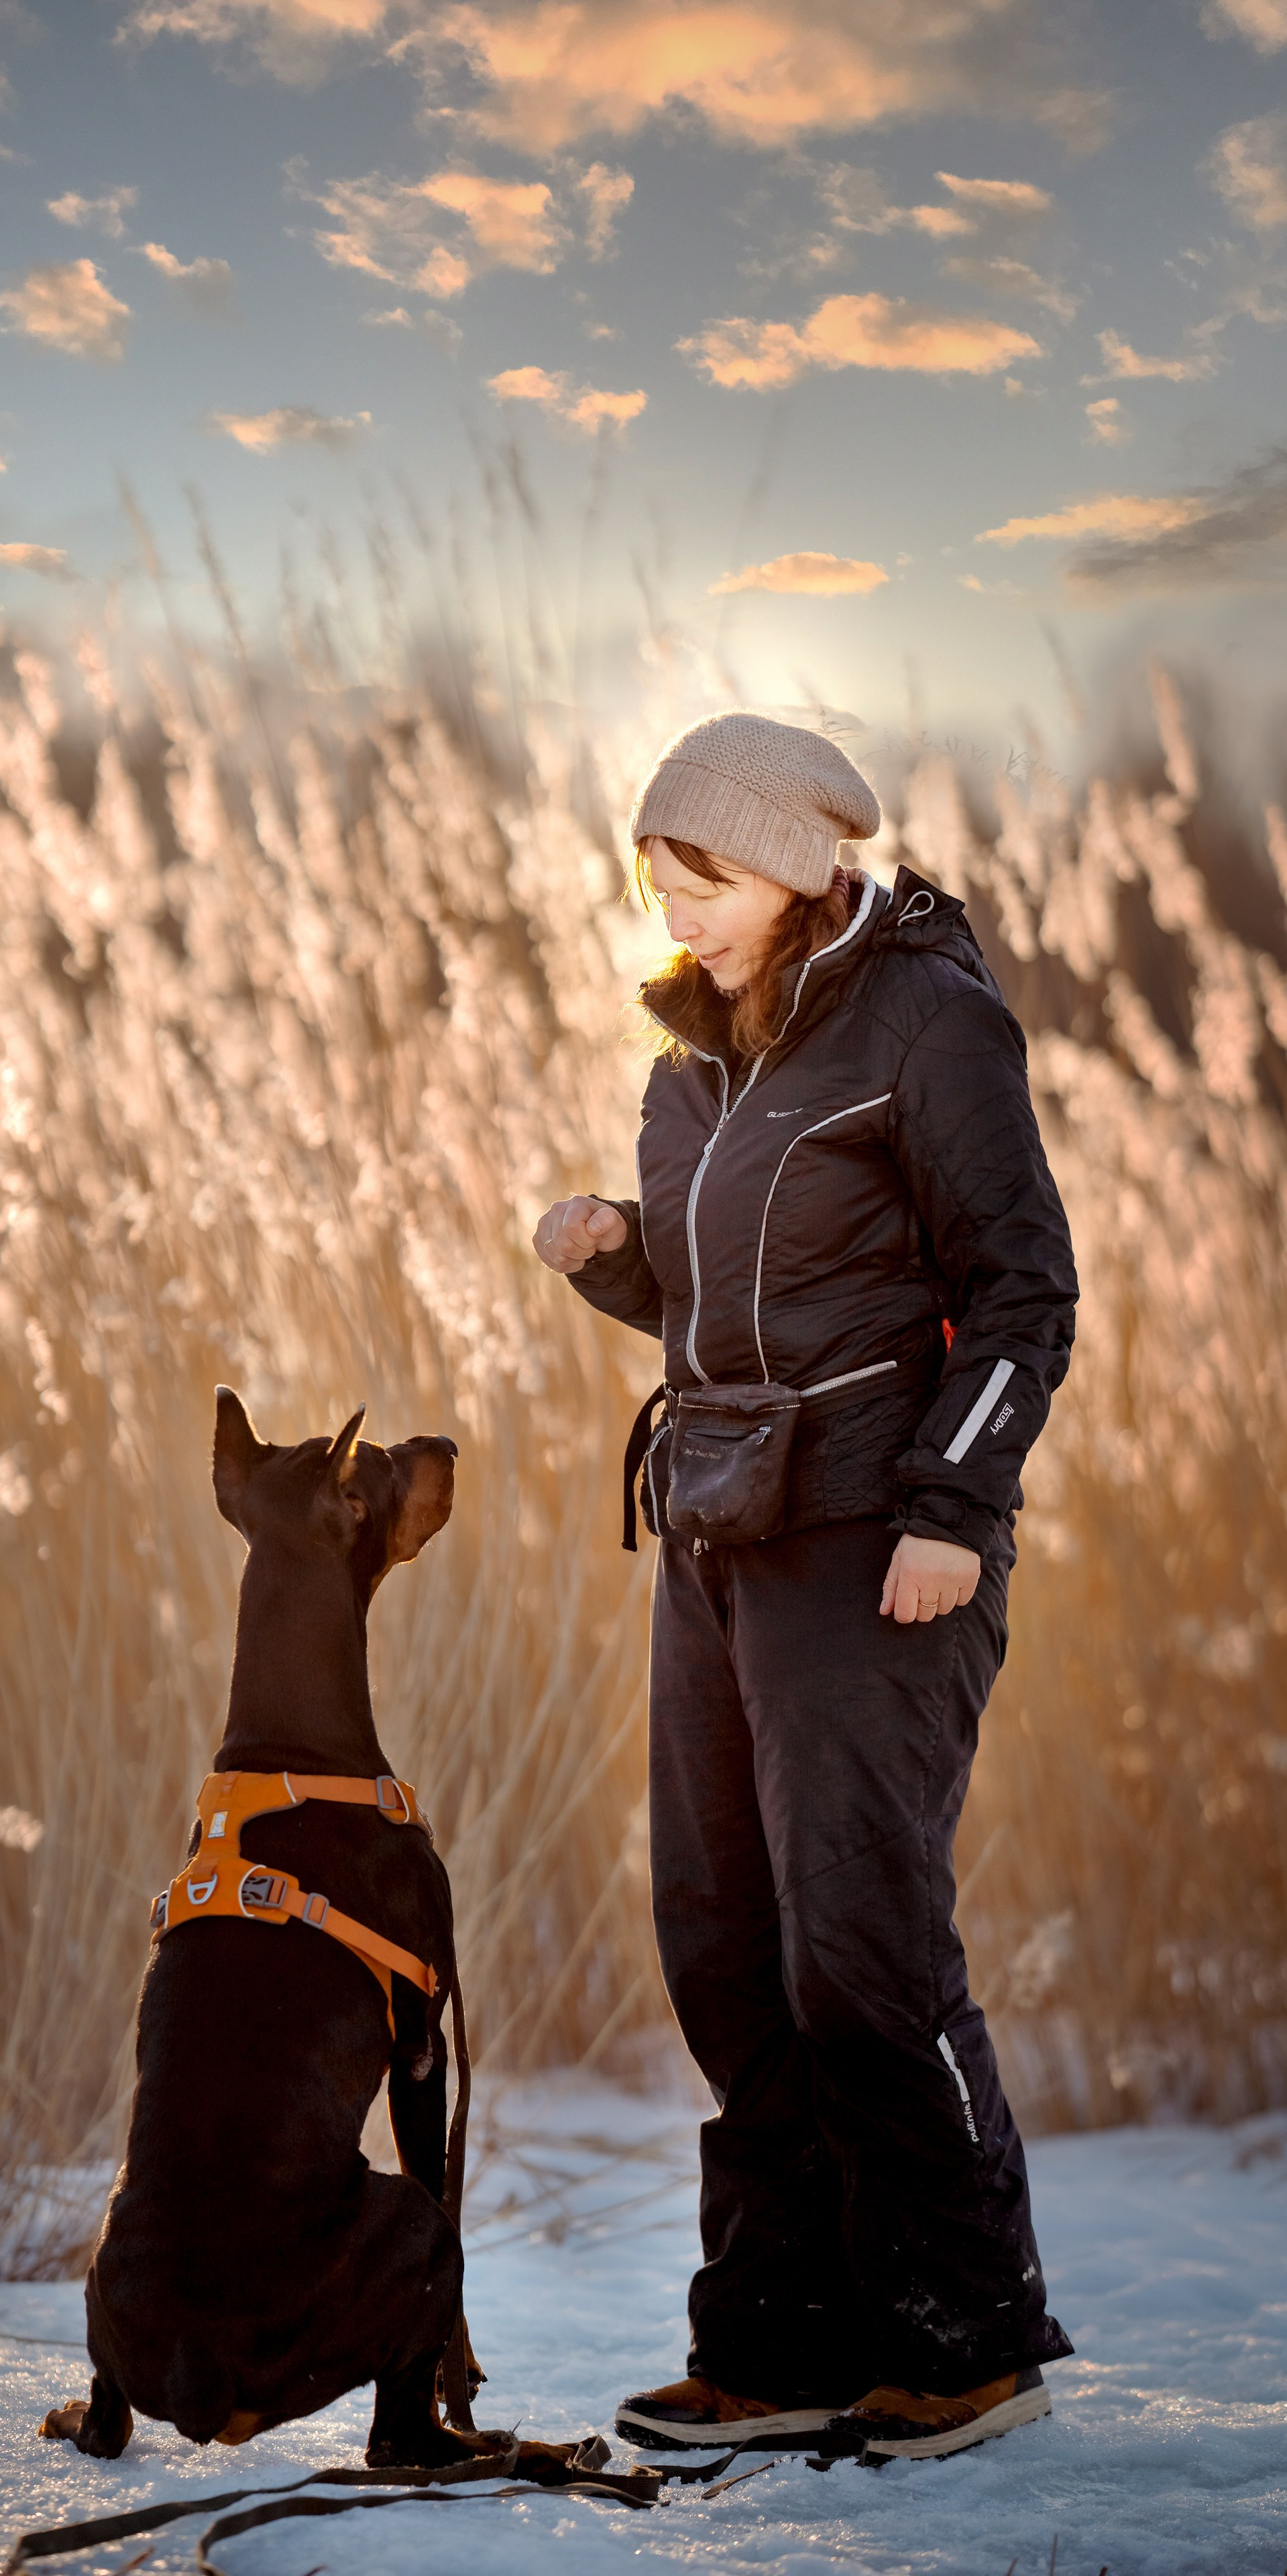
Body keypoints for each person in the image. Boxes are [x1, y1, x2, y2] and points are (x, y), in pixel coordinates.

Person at [533, 713, 1077, 2463]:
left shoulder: (928, 1019)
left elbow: (1021, 1292)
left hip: (876, 1547)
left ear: (795, 863)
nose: (670, 906)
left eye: (697, 872)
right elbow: (739, 1309)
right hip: (716, 1534)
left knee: (859, 1949)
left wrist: (954, 1508)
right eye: (655, 874)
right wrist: (625, 1263)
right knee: (725, 1949)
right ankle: (781, 2342)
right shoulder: (692, 1061)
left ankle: (963, 2336)